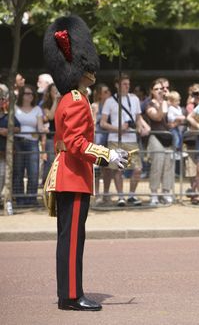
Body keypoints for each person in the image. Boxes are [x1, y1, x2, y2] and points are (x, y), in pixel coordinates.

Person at [43, 15, 128, 311]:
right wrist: (109, 155)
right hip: (75, 176)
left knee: (69, 239)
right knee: (73, 239)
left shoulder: (67, 98)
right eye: (88, 67)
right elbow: (78, 144)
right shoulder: (77, 100)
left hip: (68, 173)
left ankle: (68, 292)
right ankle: (70, 296)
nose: (92, 72)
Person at [100, 74, 146, 207]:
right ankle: (120, 196)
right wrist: (118, 129)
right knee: (118, 169)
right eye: (124, 84)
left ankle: (131, 194)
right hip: (116, 138)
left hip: (131, 138)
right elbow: (103, 123)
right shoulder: (110, 101)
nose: (127, 86)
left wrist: (139, 127)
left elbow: (138, 118)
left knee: (137, 168)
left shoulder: (134, 99)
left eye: (128, 84)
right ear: (117, 85)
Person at [14, 85, 46, 206]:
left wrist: (44, 130)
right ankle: (19, 198)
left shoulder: (37, 109)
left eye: (32, 94)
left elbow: (40, 126)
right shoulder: (15, 108)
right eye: (27, 93)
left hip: (33, 142)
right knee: (18, 171)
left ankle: (32, 199)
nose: (30, 96)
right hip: (17, 141)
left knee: (33, 171)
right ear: (22, 95)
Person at [145, 80, 175, 205]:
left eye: (161, 89)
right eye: (156, 89)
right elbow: (157, 117)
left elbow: (169, 122)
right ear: (152, 91)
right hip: (155, 137)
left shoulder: (167, 103)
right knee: (157, 166)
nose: (159, 91)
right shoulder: (149, 104)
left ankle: (166, 191)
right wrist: (162, 104)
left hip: (167, 137)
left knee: (169, 166)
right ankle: (154, 194)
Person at [91, 83, 112, 205]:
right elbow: (93, 123)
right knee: (97, 167)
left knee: (108, 168)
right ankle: (97, 194)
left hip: (109, 136)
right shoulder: (95, 105)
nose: (108, 93)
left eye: (108, 91)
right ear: (99, 94)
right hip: (98, 137)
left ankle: (106, 193)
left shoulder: (112, 105)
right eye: (105, 91)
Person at [0, 87, 21, 201]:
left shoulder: (8, 116)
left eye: (1, 98)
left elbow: (18, 128)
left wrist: (8, 131)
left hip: (3, 153)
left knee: (2, 176)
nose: (1, 101)